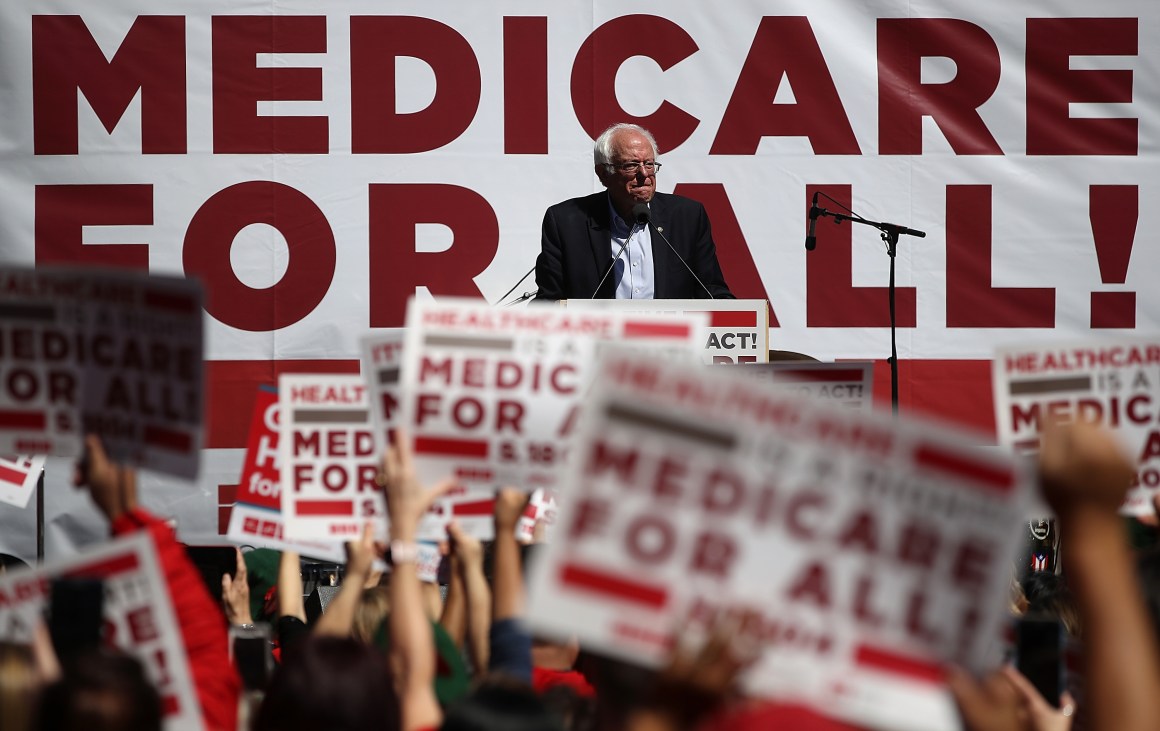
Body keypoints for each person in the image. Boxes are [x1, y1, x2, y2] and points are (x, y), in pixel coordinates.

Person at [534, 123, 733, 301]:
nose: (644, 174)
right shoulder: (567, 222)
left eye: (649, 164)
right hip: (597, 340)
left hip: (671, 339)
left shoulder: (687, 217)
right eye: (631, 165)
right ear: (603, 173)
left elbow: (711, 291)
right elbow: (550, 301)